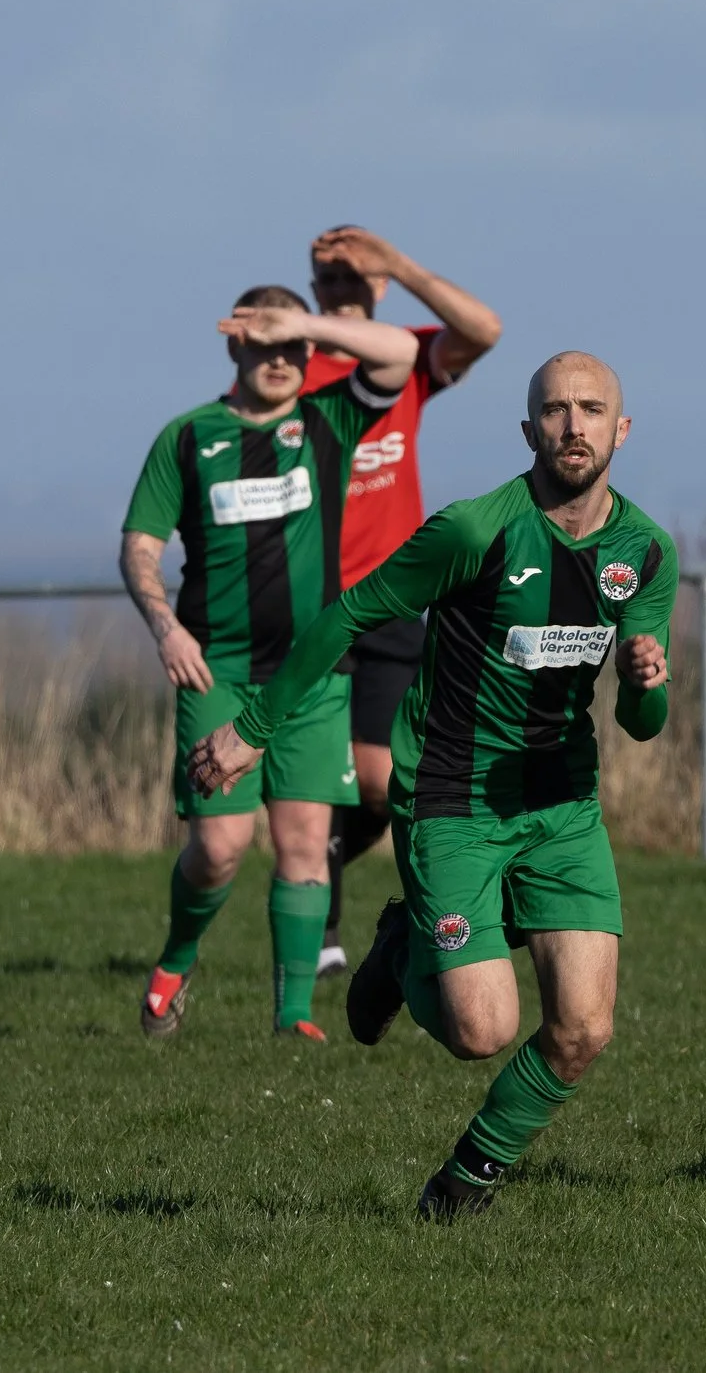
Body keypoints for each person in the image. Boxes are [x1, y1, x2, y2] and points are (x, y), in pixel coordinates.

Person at [187, 352, 675, 1221]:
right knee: (481, 1033)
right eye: (555, 410)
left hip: (561, 804)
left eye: (592, 408)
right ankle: (404, 944)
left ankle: (464, 1184)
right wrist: (253, 729)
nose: (573, 425)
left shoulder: (644, 551)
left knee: (584, 1031)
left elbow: (644, 720)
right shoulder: (474, 531)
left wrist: (643, 683)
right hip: (453, 794)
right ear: (529, 432)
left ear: (621, 429)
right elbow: (348, 615)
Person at [120, 288, 418, 1041]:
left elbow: (404, 355)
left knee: (305, 845)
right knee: (220, 847)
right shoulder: (188, 438)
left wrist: (309, 326)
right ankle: (178, 957)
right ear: (235, 346)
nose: (281, 360)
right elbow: (140, 549)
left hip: (312, 678)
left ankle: (292, 1021)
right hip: (214, 670)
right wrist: (165, 630)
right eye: (265, 342)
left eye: (292, 348)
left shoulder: (327, 422)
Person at [299, 225, 505, 976]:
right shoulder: (296, 366)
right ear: (313, 292)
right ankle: (317, 933)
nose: (345, 287)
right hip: (314, 607)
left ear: (378, 285)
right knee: (322, 774)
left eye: (358, 277)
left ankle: (313, 867)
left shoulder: (406, 360)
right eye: (330, 278)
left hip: (390, 604)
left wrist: (400, 263)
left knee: (386, 788)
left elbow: (484, 329)